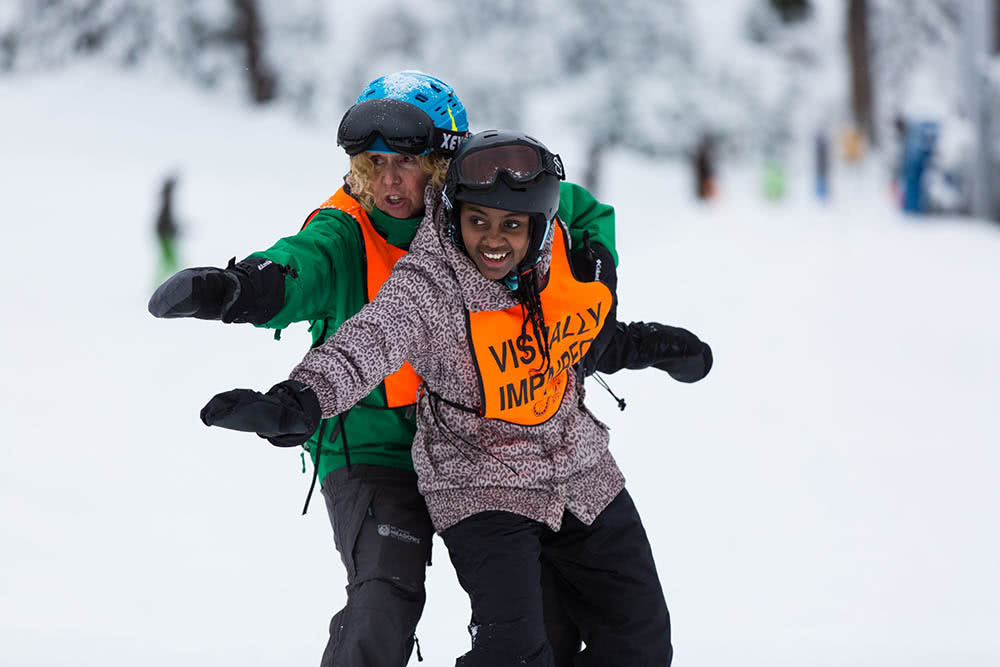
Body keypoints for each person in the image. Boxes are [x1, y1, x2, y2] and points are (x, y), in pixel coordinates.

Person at [149, 71, 710, 666]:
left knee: (570, 621)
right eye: (373, 163)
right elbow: (309, 278)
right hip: (383, 446)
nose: (388, 182)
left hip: (522, 444)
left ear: (447, 164)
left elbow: (581, 212)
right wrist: (242, 291)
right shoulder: (360, 236)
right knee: (383, 604)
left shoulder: (492, 200)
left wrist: (599, 283)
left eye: (406, 163)